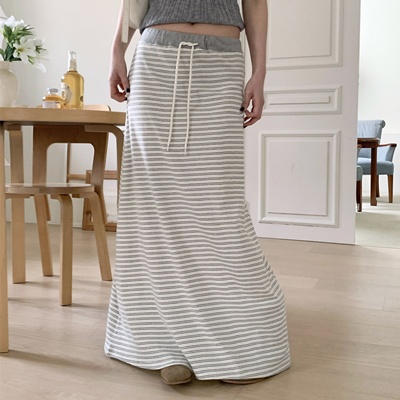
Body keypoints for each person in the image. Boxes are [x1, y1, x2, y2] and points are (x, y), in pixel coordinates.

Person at [105, 0, 291, 385]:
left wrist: (259, 72)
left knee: (217, 206)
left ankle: (238, 343)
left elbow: (255, 2)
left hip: (221, 62)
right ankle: (164, 344)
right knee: (152, 204)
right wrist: (116, 52)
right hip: (155, 60)